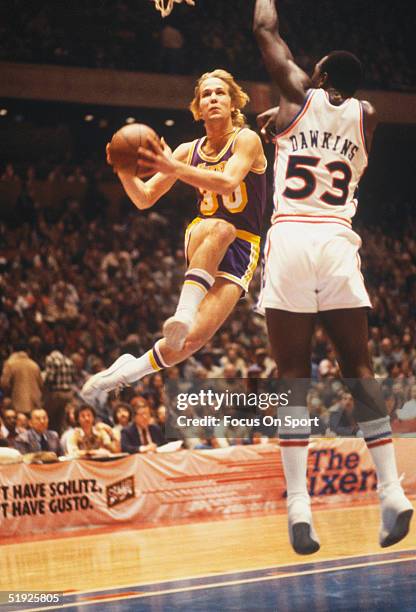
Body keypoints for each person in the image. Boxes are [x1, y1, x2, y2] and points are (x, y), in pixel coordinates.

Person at [253, 0, 413, 554]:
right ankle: (391, 491)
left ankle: (299, 504)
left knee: (293, 374)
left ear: (317, 76)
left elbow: (265, 28)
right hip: (339, 242)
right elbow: (338, 110)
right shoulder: (369, 117)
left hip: (293, 236)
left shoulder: (297, 95)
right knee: (360, 367)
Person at [82, 69, 266, 400]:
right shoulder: (185, 150)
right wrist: (124, 171)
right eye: (206, 94)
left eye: (220, 93)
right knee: (220, 226)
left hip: (244, 247)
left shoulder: (247, 139)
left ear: (233, 102)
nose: (212, 98)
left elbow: (227, 183)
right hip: (205, 233)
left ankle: (125, 372)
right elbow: (143, 198)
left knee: (190, 341)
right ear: (197, 106)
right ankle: (182, 312)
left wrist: (173, 168)